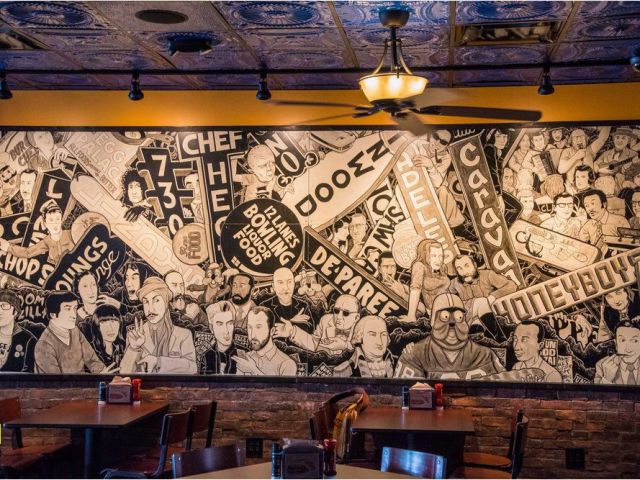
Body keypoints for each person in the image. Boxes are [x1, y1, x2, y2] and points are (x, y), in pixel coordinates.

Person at [394, 293, 505, 380]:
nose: (452, 324)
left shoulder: (485, 355)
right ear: (433, 322)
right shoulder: (414, 355)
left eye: (459, 317)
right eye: (445, 317)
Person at [120, 277, 197, 374]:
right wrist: (133, 349)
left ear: (166, 302)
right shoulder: (134, 335)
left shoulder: (183, 335)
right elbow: (124, 373)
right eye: (146, 302)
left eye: (156, 300)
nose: (150, 309)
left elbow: (192, 368)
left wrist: (159, 362)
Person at [34, 291, 118, 374]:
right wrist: (96, 378)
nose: (74, 315)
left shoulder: (75, 331)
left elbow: (92, 360)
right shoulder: (44, 345)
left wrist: (101, 372)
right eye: (68, 309)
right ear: (53, 315)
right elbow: (57, 381)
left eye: (75, 308)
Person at [274, 294, 361, 355]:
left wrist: (345, 346)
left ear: (356, 317)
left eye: (346, 313)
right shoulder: (326, 320)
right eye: (336, 311)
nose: (339, 317)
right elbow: (314, 344)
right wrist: (292, 331)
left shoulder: (363, 329)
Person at [0, 199, 75, 264]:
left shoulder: (71, 233)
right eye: (51, 220)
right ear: (45, 224)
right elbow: (28, 252)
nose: (55, 223)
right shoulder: (47, 241)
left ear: (61, 220)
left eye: (57, 219)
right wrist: (8, 247)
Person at [232, 306, 296, 376]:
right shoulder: (245, 359)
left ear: (272, 331)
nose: (252, 335)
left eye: (258, 327)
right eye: (249, 327)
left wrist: (253, 370)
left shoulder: (287, 364)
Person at [448, 255, 517, 310]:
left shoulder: (488, 274)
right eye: (460, 268)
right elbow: (444, 297)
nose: (464, 272)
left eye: (467, 266)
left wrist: (493, 296)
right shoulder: (455, 282)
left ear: (474, 265)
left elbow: (512, 286)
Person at [404, 239, 449, 323]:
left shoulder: (442, 267)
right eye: (434, 255)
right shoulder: (419, 266)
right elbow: (415, 290)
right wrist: (411, 316)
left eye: (440, 256)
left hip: (452, 305)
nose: (438, 260)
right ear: (425, 255)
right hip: (437, 313)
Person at [259, 267, 314, 333]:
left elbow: (310, 330)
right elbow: (262, 331)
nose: (286, 287)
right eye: (280, 283)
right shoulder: (264, 306)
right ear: (274, 286)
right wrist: (292, 321)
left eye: (289, 282)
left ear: (294, 284)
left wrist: (291, 326)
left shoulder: (303, 305)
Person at [0, 289, 37, 372]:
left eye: (4, 306)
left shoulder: (28, 340)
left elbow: (30, 373)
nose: (0, 311)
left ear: (15, 311)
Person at [594, 320, 640, 385]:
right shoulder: (601, 365)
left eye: (635, 341)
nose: (628, 349)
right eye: (622, 340)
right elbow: (596, 391)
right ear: (616, 344)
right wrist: (606, 379)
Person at [200, 301, 238, 374]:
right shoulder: (207, 356)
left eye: (230, 323)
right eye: (220, 324)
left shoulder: (243, 354)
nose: (226, 331)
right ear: (211, 328)